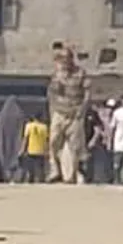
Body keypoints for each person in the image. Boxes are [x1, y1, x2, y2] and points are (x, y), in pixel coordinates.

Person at [46, 44, 90, 184]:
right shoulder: (57, 74)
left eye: (67, 58)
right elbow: (52, 93)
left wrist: (82, 109)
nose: (65, 62)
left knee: (75, 146)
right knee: (53, 142)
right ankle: (55, 170)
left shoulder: (80, 73)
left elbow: (87, 93)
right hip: (60, 112)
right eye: (62, 59)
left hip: (75, 113)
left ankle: (71, 175)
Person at [0, 96, 26, 185]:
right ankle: (13, 178)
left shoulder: (2, 116)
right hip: (15, 142)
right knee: (14, 160)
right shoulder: (19, 114)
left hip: (3, 142)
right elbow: (21, 130)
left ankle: (5, 177)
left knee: (4, 159)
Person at [21, 111, 50, 183]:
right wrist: (47, 150)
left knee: (30, 167)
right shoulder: (44, 127)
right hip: (40, 150)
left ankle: (30, 179)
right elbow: (47, 140)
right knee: (40, 168)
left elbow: (26, 139)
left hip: (31, 150)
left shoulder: (29, 126)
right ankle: (41, 180)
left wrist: (22, 149)